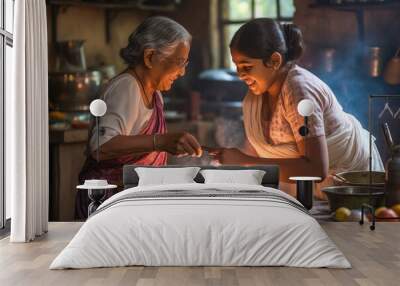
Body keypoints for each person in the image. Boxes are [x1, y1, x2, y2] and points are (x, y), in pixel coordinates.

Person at [208, 18, 383, 190]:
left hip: (353, 183)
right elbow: (254, 150)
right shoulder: (257, 94)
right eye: (237, 66)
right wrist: (233, 161)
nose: (240, 75)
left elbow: (315, 169)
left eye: (246, 67)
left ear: (275, 61)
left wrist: (244, 161)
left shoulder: (299, 91)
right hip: (310, 189)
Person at [76, 16, 202, 219]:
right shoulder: (126, 87)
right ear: (150, 57)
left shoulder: (155, 93)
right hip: (109, 203)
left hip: (132, 202)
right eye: (179, 63)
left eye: (185, 63)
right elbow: (100, 145)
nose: (182, 72)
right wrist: (160, 141)